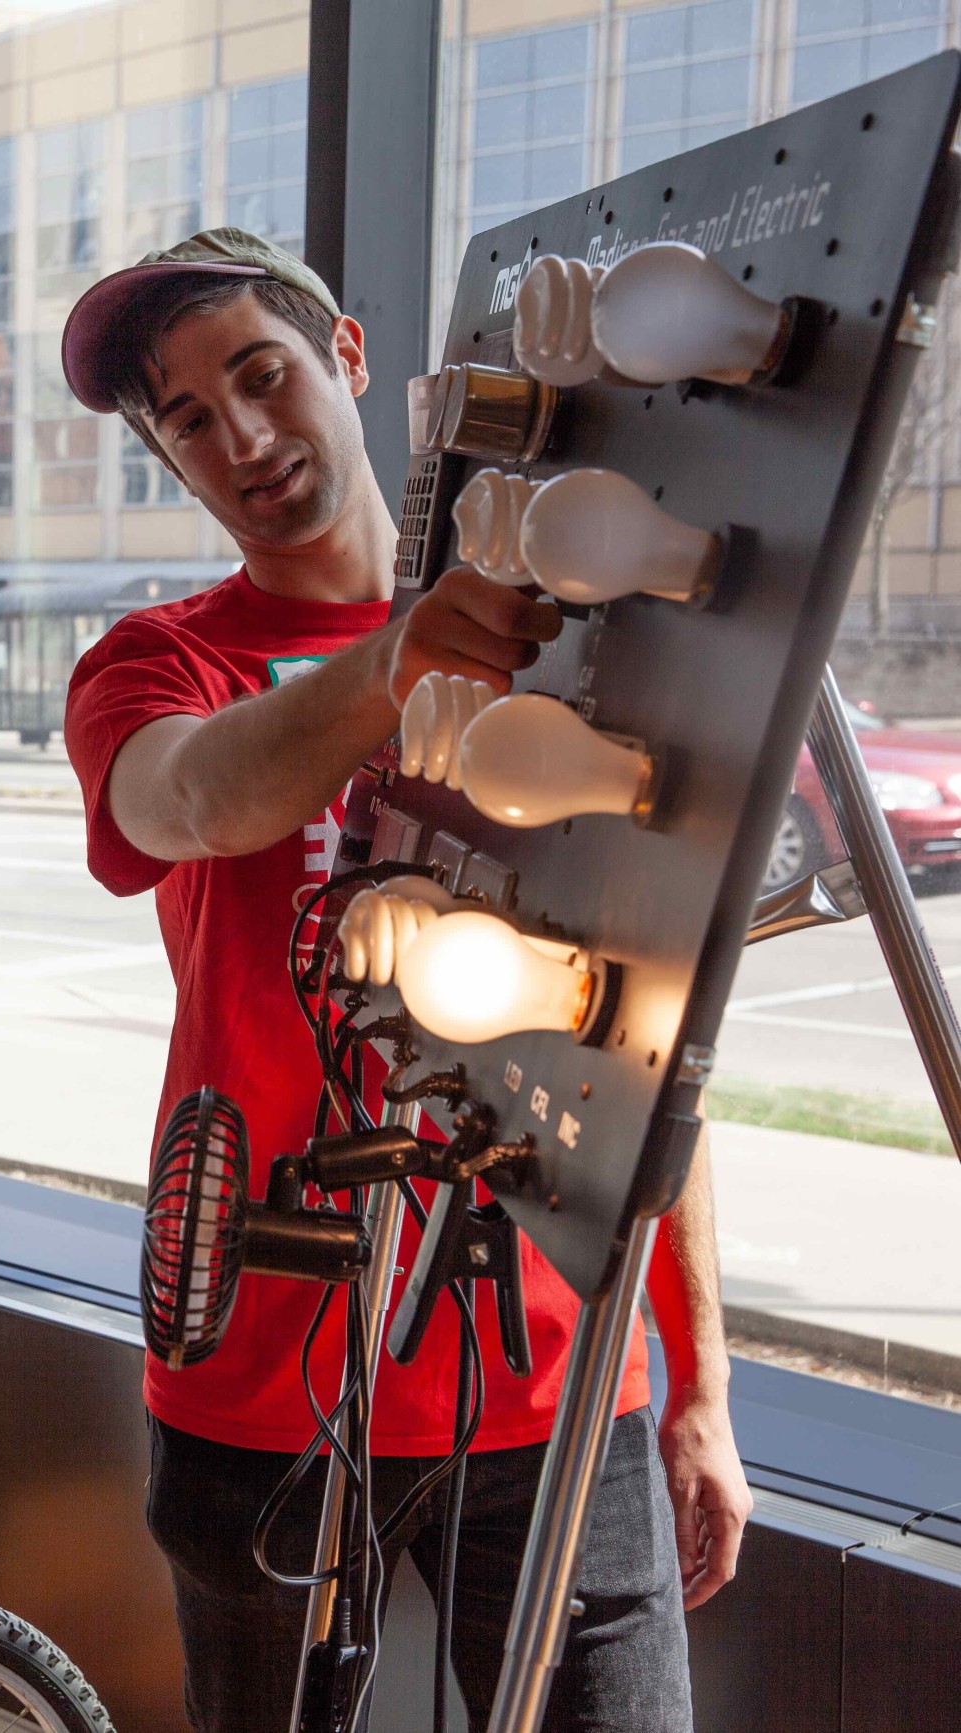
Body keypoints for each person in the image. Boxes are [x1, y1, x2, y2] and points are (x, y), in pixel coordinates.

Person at [58, 230, 749, 1731]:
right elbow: (186, 806)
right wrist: (393, 663)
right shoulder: (153, 664)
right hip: (262, 1368)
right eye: (187, 418)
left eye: (262, 374)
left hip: (560, 1372)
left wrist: (699, 1376)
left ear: (349, 359)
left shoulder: (574, 636)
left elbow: (647, 1020)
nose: (239, 436)